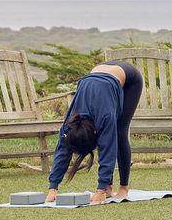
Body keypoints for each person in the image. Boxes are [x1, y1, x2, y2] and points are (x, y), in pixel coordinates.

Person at [45, 60, 143, 205]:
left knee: (119, 131)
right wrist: (52, 188)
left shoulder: (104, 116)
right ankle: (109, 188)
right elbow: (63, 149)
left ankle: (123, 188)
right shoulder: (70, 123)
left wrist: (100, 190)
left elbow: (107, 147)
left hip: (129, 78)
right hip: (98, 75)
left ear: (95, 131)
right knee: (110, 131)